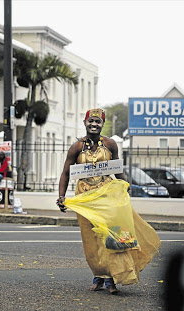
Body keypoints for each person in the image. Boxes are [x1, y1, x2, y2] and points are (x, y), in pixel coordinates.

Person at [57, 108, 160, 295]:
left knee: (110, 236)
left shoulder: (110, 144)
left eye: (98, 122)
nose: (94, 125)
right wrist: (61, 196)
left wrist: (125, 186)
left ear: (102, 124)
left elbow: (117, 169)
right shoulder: (76, 147)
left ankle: (112, 278)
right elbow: (65, 173)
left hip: (107, 194)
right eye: (91, 121)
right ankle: (98, 276)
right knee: (91, 239)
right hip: (85, 196)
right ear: (85, 123)